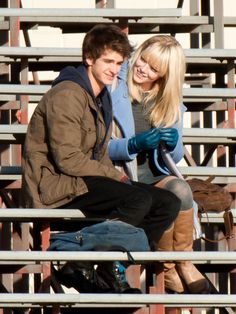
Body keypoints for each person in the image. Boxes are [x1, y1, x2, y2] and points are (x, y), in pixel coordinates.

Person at [21, 25, 181, 293]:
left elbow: (97, 154)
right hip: (55, 185)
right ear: (89, 58)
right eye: (108, 61)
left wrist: (115, 176)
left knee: (167, 202)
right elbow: (69, 160)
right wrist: (117, 176)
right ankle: (79, 258)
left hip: (82, 179)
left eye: (119, 63)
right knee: (138, 198)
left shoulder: (100, 96)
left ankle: (112, 265)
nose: (115, 69)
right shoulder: (68, 94)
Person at [108, 34, 210, 294]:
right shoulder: (114, 86)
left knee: (181, 189)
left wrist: (174, 141)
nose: (143, 68)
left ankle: (182, 262)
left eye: (154, 69)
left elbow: (173, 158)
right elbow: (99, 147)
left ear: (165, 75)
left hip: (153, 174)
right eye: (143, 59)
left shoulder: (168, 98)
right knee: (166, 198)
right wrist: (133, 144)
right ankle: (167, 266)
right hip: (122, 173)